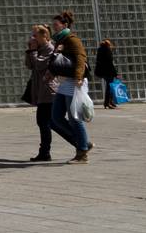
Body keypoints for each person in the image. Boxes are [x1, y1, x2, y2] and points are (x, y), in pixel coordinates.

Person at [48, 10, 92, 163]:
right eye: (53, 25)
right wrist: (50, 73)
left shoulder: (72, 39)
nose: (54, 28)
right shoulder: (59, 41)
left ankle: (82, 153)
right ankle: (83, 142)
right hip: (64, 82)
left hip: (74, 82)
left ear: (64, 25)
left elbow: (81, 58)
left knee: (74, 118)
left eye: (56, 25)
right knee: (55, 118)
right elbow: (59, 62)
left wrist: (79, 77)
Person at [24, 24, 58, 162]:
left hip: (48, 91)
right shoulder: (38, 49)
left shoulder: (49, 49)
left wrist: (32, 51)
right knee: (48, 122)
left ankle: (45, 152)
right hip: (41, 90)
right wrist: (30, 51)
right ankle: (45, 152)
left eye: (35, 35)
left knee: (45, 122)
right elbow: (29, 65)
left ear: (44, 36)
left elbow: (39, 66)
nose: (33, 38)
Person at [95, 39, 120, 109]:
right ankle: (108, 103)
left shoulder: (100, 49)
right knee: (109, 87)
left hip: (102, 71)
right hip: (108, 72)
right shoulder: (107, 50)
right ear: (108, 44)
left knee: (109, 87)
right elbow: (110, 63)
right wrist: (116, 74)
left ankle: (110, 102)